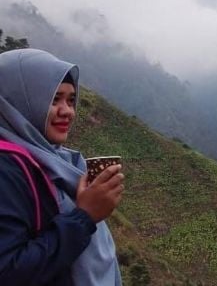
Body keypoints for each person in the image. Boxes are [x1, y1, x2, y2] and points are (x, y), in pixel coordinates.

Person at [0, 48, 124, 285]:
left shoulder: (56, 161)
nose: (67, 111)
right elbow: (8, 271)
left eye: (70, 99)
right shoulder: (6, 169)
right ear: (17, 102)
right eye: (54, 99)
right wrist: (84, 217)